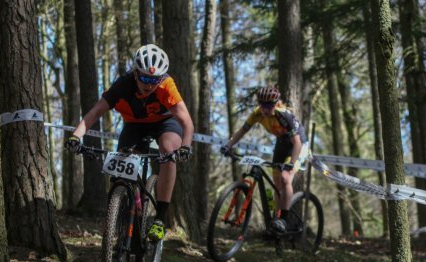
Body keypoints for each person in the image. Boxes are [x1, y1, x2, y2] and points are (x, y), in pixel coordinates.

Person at [65, 44, 194, 241]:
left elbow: (186, 122)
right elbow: (93, 114)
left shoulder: (166, 85)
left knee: (168, 151)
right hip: (134, 125)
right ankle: (125, 214)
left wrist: (185, 147)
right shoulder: (122, 85)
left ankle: (160, 219)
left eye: (154, 80)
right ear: (135, 73)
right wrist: (75, 136)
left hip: (165, 122)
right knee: (119, 170)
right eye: (144, 78)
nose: (149, 84)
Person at [221, 85, 307, 233]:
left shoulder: (284, 115)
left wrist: (291, 164)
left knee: (286, 178)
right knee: (276, 184)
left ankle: (284, 220)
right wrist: (228, 145)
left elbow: (297, 143)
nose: (265, 109)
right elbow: (242, 131)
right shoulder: (257, 113)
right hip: (281, 143)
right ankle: (276, 220)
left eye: (269, 105)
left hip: (298, 144)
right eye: (262, 105)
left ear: (276, 104)